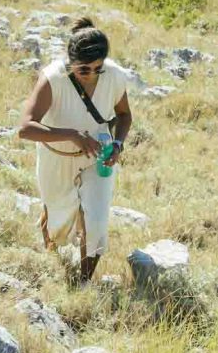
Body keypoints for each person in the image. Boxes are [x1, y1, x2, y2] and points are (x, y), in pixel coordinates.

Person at [18, 18, 134, 283]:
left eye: (98, 68)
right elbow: (25, 128)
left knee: (96, 222)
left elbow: (124, 115)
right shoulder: (53, 78)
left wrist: (117, 144)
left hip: (98, 158)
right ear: (71, 62)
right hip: (56, 158)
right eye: (84, 69)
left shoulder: (115, 76)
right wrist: (71, 136)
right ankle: (50, 232)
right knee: (58, 221)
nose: (91, 74)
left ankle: (83, 283)